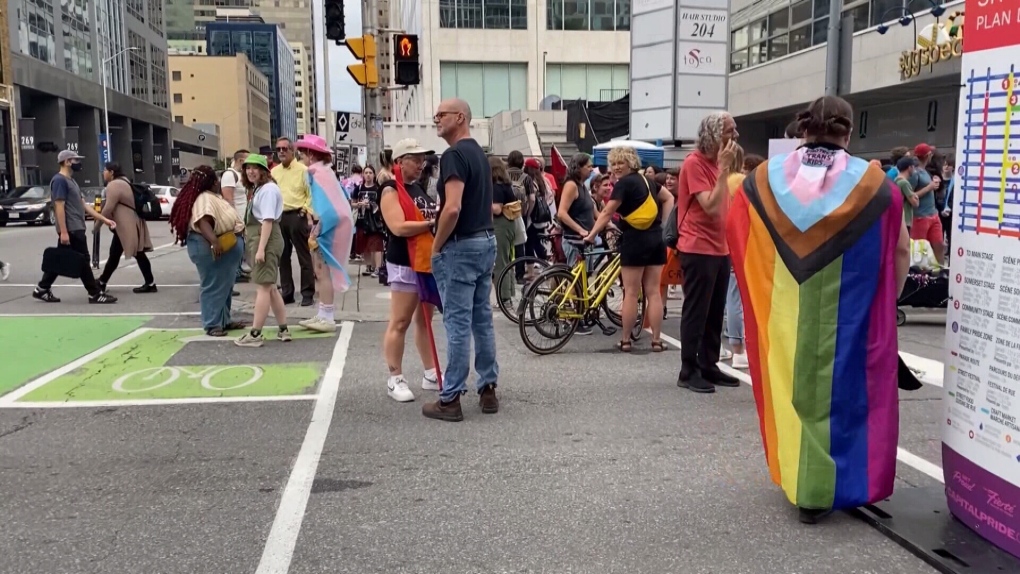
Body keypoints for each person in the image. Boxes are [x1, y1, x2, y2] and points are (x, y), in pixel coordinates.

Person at [728, 95, 911, 525]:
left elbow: (740, 238)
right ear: (848, 132)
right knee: (848, 396)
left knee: (795, 392)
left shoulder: (762, 180)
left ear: (803, 129)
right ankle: (844, 484)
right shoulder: (874, 184)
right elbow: (900, 249)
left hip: (787, 311)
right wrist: (888, 300)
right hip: (851, 310)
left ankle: (805, 486)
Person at [423, 98, 499, 422]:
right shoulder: (478, 152)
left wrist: (436, 246)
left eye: (441, 114)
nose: (436, 119)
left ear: (460, 117)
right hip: (486, 240)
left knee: (456, 322)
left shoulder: (453, 155)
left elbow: (452, 208)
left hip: (461, 245)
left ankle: (451, 396)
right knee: (481, 318)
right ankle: (488, 387)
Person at [675, 112, 741, 393]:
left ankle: (709, 364)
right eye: (730, 131)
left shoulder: (715, 163)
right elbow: (712, 206)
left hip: (719, 246)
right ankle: (688, 369)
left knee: (715, 312)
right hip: (697, 245)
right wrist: (725, 168)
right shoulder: (695, 163)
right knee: (696, 311)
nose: (736, 136)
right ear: (714, 135)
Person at [584, 146, 673, 352]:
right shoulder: (649, 181)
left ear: (630, 163)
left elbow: (607, 212)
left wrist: (591, 235)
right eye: (613, 163)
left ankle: (625, 340)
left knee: (631, 292)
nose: (615, 167)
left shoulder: (623, 184)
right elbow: (669, 198)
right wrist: (664, 225)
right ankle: (657, 341)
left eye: (620, 163)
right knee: (653, 293)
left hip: (634, 239)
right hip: (655, 238)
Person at [378, 138, 440, 402]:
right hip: (404, 261)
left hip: (425, 261)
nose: (419, 164)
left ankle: (430, 372)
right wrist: (431, 224)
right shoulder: (390, 189)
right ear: (399, 162)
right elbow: (398, 227)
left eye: (421, 160)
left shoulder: (418, 189)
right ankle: (395, 377)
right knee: (400, 321)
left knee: (425, 321)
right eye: (414, 159)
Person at [33, 150, 117, 304]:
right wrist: (63, 231)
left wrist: (104, 219)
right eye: (75, 160)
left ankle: (42, 288)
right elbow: (59, 206)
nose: (78, 163)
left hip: (76, 226)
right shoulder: (59, 181)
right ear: (66, 162)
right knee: (83, 260)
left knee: (60, 259)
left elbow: (83, 205)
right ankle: (95, 293)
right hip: (72, 228)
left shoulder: (71, 181)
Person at [170, 166, 246, 336]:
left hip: (225, 245)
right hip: (210, 245)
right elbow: (204, 221)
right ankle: (212, 324)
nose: (218, 183)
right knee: (213, 284)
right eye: (216, 180)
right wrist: (214, 241)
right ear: (211, 182)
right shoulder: (204, 198)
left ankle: (224, 320)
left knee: (224, 285)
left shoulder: (210, 196)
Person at [294, 134, 354, 333]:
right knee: (320, 272)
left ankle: (326, 315)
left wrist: (317, 228)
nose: (300, 157)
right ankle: (323, 313)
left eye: (302, 154)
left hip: (326, 228)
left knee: (321, 271)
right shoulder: (324, 172)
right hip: (330, 226)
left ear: (310, 154)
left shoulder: (316, 173)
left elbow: (324, 207)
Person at [236, 154, 291, 347]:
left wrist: (260, 249)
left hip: (265, 239)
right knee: (271, 288)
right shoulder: (261, 189)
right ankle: (283, 329)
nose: (251, 171)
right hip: (263, 238)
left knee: (263, 288)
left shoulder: (267, 190)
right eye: (248, 168)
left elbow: (267, 220)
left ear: (264, 171)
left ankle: (255, 333)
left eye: (255, 168)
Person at [96, 162, 156, 294]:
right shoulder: (125, 181)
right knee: (117, 254)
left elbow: (108, 208)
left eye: (105, 170)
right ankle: (102, 281)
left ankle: (150, 283)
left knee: (137, 253)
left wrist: (97, 225)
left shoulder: (115, 184)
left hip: (127, 225)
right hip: (127, 224)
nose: (103, 173)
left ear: (111, 172)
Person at [271, 137, 315, 306]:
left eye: (284, 148)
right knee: (283, 257)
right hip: (280, 216)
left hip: (297, 215)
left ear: (292, 150)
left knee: (304, 257)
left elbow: (311, 194)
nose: (281, 152)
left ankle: (307, 293)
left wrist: (305, 211)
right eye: (278, 149)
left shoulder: (303, 170)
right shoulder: (274, 172)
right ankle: (287, 293)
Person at [909, 143, 944, 265]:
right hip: (920, 217)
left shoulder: (925, 172)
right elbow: (910, 196)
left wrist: (934, 183)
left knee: (939, 244)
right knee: (919, 250)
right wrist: (929, 188)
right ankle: (919, 276)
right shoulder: (914, 173)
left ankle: (940, 271)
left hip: (933, 215)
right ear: (928, 156)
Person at [490, 155, 519, 307]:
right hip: (509, 224)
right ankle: (509, 293)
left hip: (500, 224)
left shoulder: (496, 186)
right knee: (507, 260)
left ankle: (503, 298)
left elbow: (496, 209)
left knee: (500, 262)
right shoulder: (506, 184)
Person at [221, 149, 251, 280]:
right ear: (240, 160)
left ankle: (238, 269)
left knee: (241, 245)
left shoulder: (239, 175)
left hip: (242, 216)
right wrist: (235, 218)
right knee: (235, 245)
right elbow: (228, 198)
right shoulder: (229, 175)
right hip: (235, 217)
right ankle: (235, 272)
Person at [353, 165, 385, 276]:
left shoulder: (378, 189)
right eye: (366, 173)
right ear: (363, 174)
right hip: (362, 220)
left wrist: (371, 206)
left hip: (374, 221)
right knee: (364, 245)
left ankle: (378, 268)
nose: (368, 175)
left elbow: (382, 205)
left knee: (376, 245)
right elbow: (352, 203)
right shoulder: (359, 188)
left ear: (374, 174)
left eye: (370, 172)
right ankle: (368, 266)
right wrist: (358, 204)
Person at [895, 156, 921, 235]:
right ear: (909, 167)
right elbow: (915, 203)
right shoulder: (904, 183)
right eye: (913, 167)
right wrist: (915, 197)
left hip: (898, 220)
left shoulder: (896, 180)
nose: (914, 169)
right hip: (905, 221)